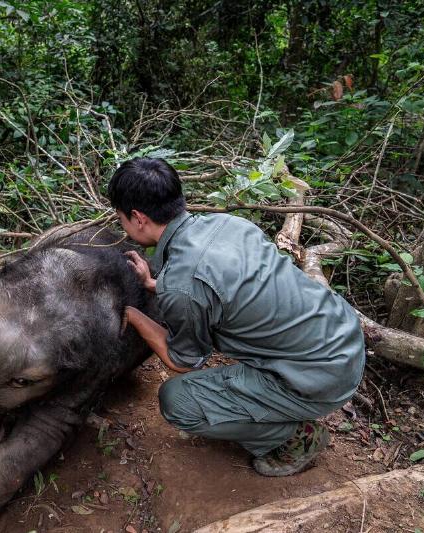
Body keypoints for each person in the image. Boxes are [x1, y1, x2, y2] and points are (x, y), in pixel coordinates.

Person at [108, 157, 365, 476]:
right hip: (343, 338)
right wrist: (154, 284)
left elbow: (184, 360)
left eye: (121, 219)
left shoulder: (183, 286)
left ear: (138, 218)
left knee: (177, 401)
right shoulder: (228, 225)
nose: (124, 226)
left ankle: (296, 438)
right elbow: (215, 285)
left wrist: (131, 314)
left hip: (320, 378)